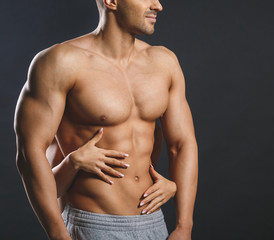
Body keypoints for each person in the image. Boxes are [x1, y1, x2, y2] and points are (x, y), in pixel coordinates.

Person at [14, 0, 198, 239]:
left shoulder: (164, 63)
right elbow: (30, 152)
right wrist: (58, 234)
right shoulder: (61, 61)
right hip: (93, 225)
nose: (158, 5)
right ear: (111, 1)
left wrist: (184, 227)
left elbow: (182, 145)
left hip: (153, 223)